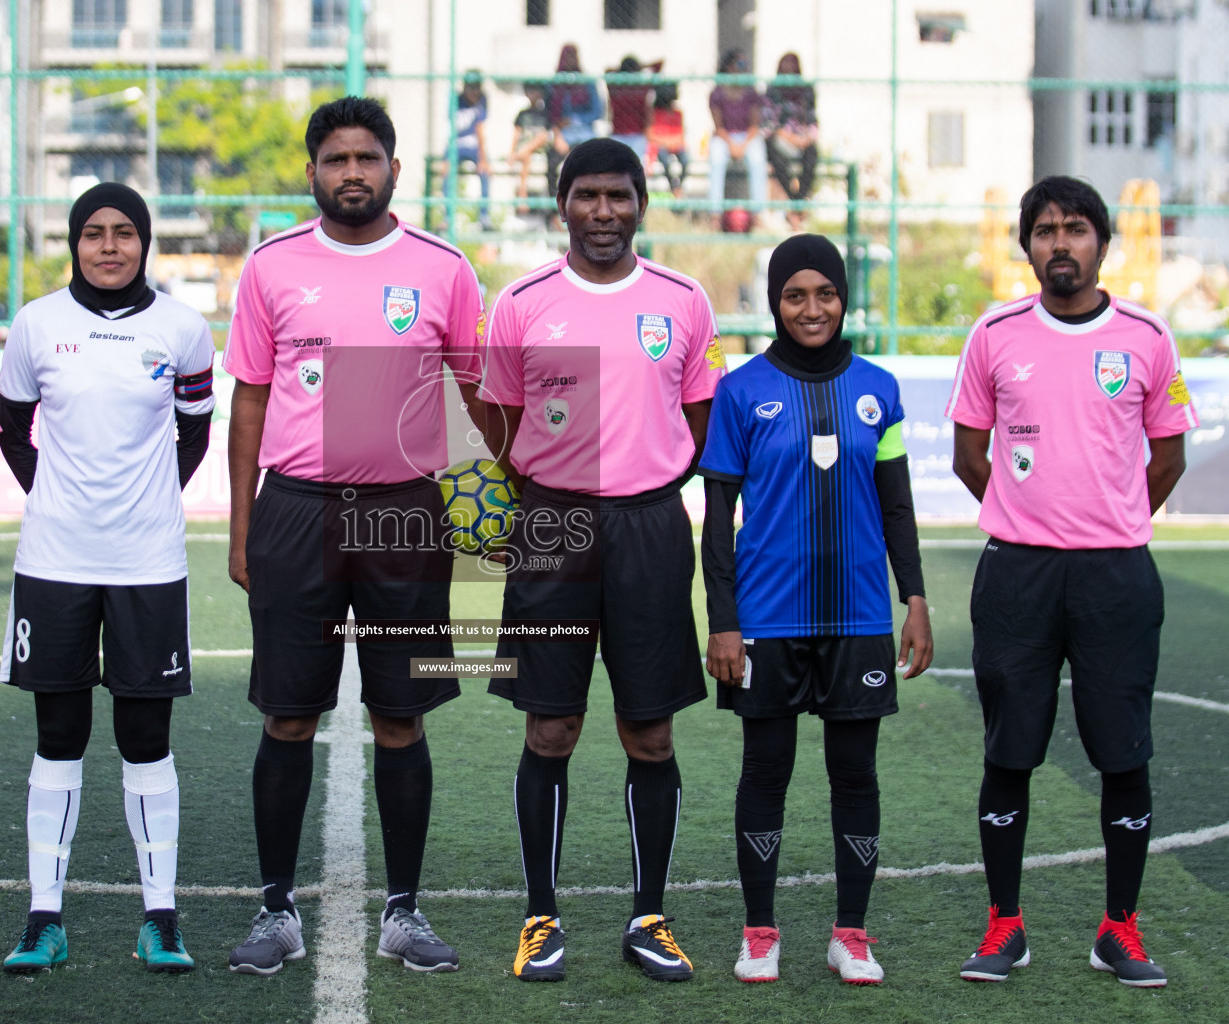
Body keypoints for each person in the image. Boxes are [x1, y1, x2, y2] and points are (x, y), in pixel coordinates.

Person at [223, 97, 485, 976]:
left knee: (399, 718)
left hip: (405, 512)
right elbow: (250, 399)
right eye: (335, 160)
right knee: (288, 715)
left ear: (394, 170)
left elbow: (477, 401)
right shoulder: (270, 268)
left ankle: (404, 912)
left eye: (366, 158)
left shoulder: (444, 270)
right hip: (297, 507)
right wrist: (243, 522)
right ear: (312, 173)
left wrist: (490, 512)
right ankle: (274, 911)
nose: (351, 174)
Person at [482, 138, 724, 983]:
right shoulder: (521, 302)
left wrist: (641, 482)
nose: (603, 212)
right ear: (562, 206)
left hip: (651, 527)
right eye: (586, 196)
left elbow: (698, 423)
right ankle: (540, 917)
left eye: (619, 196)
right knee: (552, 726)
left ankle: (648, 915)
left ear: (641, 203)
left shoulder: (684, 300)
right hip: (552, 524)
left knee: (648, 733)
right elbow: (498, 428)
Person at [948, 176, 1196, 989]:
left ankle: (1118, 929)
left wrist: (1106, 522)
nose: (1061, 243)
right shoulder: (995, 333)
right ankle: (1004, 926)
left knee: (1124, 755)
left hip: (1117, 576)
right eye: (1046, 230)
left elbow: (1167, 458)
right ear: (1027, 246)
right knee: (1008, 753)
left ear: (1102, 242)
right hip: (1017, 574)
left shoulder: (1148, 338)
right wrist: (1031, 521)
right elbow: (967, 453)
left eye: (1077, 229)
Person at [698, 234, 933, 986]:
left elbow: (897, 506)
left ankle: (851, 934)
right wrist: (723, 620)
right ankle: (760, 932)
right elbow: (716, 518)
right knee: (765, 772)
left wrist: (915, 600)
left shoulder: (880, 389)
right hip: (766, 619)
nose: (811, 308)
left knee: (854, 774)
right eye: (795, 295)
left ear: (842, 297)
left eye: (824, 293)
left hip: (860, 619)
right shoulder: (741, 392)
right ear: (775, 302)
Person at [0, 183, 214, 974]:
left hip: (148, 564)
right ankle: (42, 920)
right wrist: (60, 498)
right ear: (74, 243)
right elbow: (13, 430)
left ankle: (160, 918)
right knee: (59, 737)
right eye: (94, 233)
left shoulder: (183, 330)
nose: (110, 246)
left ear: (145, 242)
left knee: (145, 738)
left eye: (125, 233)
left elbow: (195, 430)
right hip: (53, 560)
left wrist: (145, 502)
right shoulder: (37, 324)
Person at [708, 50, 767, 218]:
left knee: (757, 160)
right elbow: (718, 127)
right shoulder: (717, 93)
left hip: (747, 136)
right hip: (724, 136)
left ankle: (758, 215)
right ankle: (715, 215)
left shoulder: (751, 92)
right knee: (716, 159)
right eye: (740, 64)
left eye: (746, 65)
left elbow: (755, 126)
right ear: (729, 67)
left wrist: (743, 144)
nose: (744, 69)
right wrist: (731, 144)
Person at [764, 52, 819, 228]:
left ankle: (799, 201)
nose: (788, 69)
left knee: (812, 154)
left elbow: (812, 121)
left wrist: (807, 138)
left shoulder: (806, 90)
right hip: (781, 139)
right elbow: (769, 124)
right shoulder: (773, 90)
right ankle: (795, 203)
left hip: (801, 139)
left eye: (792, 65)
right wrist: (789, 137)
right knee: (775, 155)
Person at [433, 70, 493, 231]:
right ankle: (448, 217)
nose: (474, 92)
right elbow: (450, 131)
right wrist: (446, 157)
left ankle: (484, 216)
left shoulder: (482, 100)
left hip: (474, 146)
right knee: (446, 173)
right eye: (470, 87)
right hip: (456, 145)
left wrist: (483, 159)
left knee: (485, 172)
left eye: (476, 88)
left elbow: (480, 131)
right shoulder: (456, 100)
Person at [547, 44, 604, 199]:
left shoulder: (587, 82)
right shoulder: (554, 84)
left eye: (574, 56)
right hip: (563, 136)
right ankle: (554, 207)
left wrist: (573, 120)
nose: (571, 60)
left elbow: (598, 112)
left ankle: (586, 201)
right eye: (568, 56)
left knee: (585, 163)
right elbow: (550, 116)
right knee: (552, 163)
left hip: (584, 134)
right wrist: (558, 135)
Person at [509, 81, 554, 214]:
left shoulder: (545, 113)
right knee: (526, 156)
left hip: (539, 147)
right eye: (530, 91)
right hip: (525, 150)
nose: (533, 94)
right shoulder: (523, 114)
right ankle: (523, 196)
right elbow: (516, 133)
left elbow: (547, 134)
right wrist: (512, 152)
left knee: (542, 136)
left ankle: (523, 152)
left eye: (536, 91)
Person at [606, 55, 659, 159]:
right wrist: (633, 68)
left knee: (637, 163)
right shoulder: (616, 88)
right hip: (618, 133)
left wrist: (637, 67)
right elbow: (607, 71)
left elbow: (659, 65)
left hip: (637, 134)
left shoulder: (640, 88)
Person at [648, 82, 688, 199]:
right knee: (665, 160)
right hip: (661, 146)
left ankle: (678, 187)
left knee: (686, 160)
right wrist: (666, 142)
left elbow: (680, 136)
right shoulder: (654, 113)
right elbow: (651, 135)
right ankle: (673, 186)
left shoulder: (677, 113)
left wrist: (669, 142)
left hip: (675, 145)